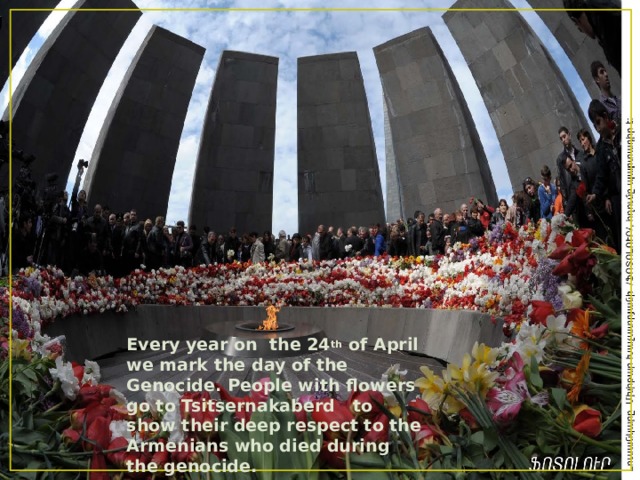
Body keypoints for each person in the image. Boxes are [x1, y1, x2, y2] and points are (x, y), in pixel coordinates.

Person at [587, 99, 621, 251]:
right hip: (619, 197)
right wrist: (595, 194)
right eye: (595, 125)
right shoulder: (601, 148)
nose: (598, 128)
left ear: (606, 117)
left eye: (599, 122)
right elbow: (602, 176)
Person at [564, 0, 621, 75]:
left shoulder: (608, 33)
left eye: (576, 25)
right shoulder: (609, 9)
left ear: (576, 21)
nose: (581, 30)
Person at [556, 126, 582, 211]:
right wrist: (566, 202)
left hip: (584, 193)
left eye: (564, 136)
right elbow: (562, 182)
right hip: (573, 197)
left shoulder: (579, 153)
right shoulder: (561, 159)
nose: (563, 140)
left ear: (569, 135)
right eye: (561, 138)